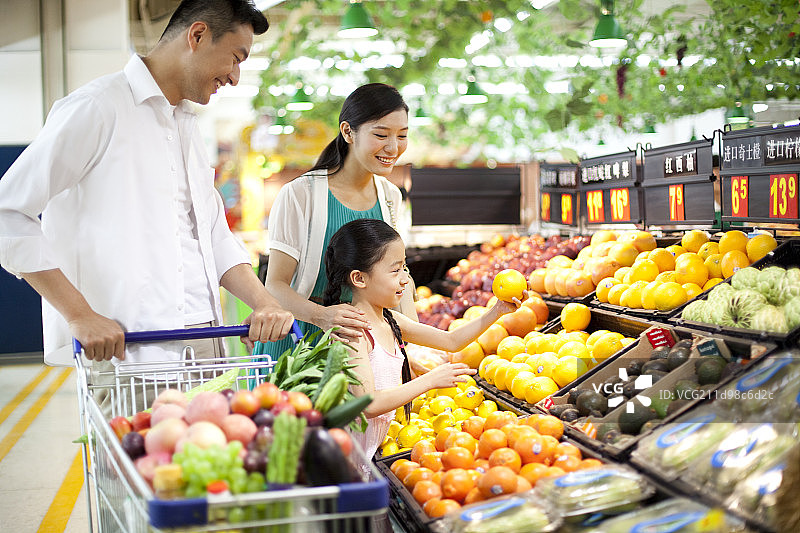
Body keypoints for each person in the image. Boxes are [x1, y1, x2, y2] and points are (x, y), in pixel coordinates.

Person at [0, 0, 293, 370]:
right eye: (235, 57)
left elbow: (214, 234)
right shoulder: (98, 107)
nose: (235, 76)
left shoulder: (186, 125)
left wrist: (264, 302)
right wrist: (79, 315)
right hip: (129, 348)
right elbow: (7, 212)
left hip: (205, 342)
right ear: (198, 35)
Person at [323, 219, 522, 465]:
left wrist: (498, 310)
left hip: (373, 451)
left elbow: (451, 341)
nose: (405, 279)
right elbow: (369, 404)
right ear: (359, 278)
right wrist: (431, 380)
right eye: (395, 270)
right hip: (350, 457)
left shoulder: (390, 319)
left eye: (404, 268)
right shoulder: (353, 332)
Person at [255, 83, 414, 363]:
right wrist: (322, 316)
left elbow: (398, 277)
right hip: (297, 343)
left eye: (402, 136)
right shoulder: (300, 195)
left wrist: (409, 347)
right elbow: (275, 286)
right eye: (381, 134)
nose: (393, 147)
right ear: (348, 131)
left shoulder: (390, 197)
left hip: (360, 349)